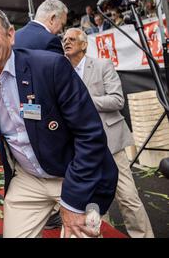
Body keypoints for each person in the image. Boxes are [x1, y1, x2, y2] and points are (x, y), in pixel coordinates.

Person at [0, 6, 118, 238]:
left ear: (10, 34)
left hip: (73, 172)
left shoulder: (51, 67)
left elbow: (91, 136)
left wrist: (73, 202)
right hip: (28, 180)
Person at [63, 28, 154, 238]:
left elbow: (117, 100)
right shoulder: (63, 71)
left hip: (110, 144)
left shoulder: (102, 65)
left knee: (128, 197)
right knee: (92, 202)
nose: (66, 42)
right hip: (82, 148)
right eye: (64, 39)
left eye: (71, 39)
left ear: (84, 44)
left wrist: (83, 102)